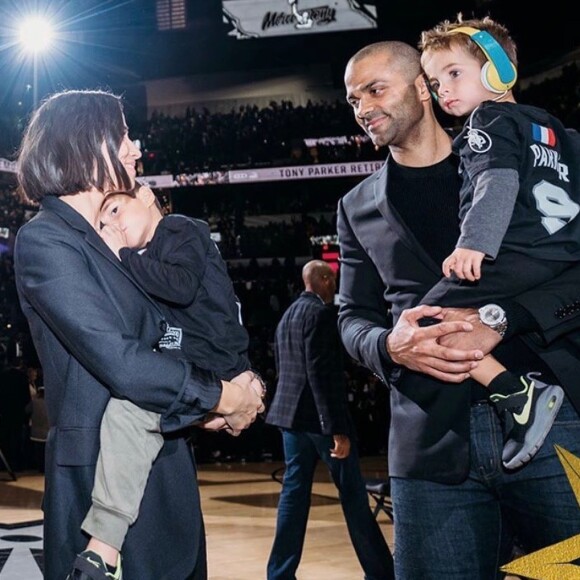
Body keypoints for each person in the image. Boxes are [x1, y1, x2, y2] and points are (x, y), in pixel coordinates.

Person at [339, 41, 580, 579]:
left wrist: (504, 320)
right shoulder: (355, 206)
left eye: (375, 90)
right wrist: (387, 344)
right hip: (428, 442)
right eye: (354, 99)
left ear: (422, 89)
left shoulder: (509, 159)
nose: (363, 108)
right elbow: (351, 317)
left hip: (555, 417)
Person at [14, 89, 265, 580]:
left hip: (166, 463)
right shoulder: (46, 240)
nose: (135, 148)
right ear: (87, 142)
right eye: (124, 134)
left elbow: (174, 336)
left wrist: (232, 387)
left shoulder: (126, 240)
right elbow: (122, 362)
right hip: (98, 479)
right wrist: (221, 396)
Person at [415, 15, 580, 470]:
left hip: (514, 253)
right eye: (434, 81)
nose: (442, 90)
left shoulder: (487, 118)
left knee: (424, 323)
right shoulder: (556, 129)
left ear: (500, 70)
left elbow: (496, 182)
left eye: (454, 73)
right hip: (560, 258)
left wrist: (475, 243)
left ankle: (519, 395)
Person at [68, 185, 257, 575]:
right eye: (103, 222)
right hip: (195, 359)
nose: (111, 225)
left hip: (211, 358)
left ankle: (103, 547)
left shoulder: (180, 228)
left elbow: (181, 286)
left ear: (147, 194)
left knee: (128, 414)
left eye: (116, 210)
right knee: (130, 416)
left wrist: (120, 254)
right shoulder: (145, 257)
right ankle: (106, 546)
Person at [266, 260, 394, 580]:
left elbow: (287, 371)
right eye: (332, 281)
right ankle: (380, 572)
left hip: (290, 418)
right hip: (319, 421)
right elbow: (321, 377)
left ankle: (279, 573)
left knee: (294, 498)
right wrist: (336, 428)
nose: (334, 287)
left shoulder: (286, 317)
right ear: (322, 280)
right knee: (352, 496)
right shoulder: (322, 315)